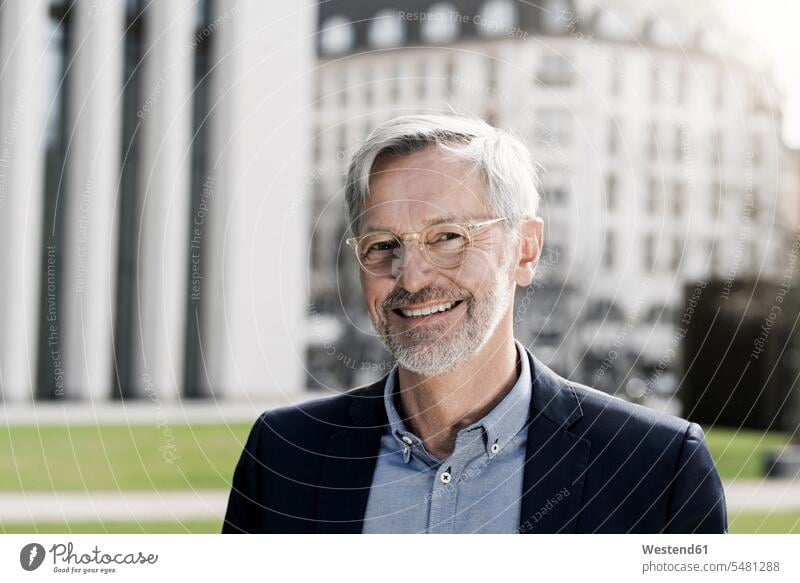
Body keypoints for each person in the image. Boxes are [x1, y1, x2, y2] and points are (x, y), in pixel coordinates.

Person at [222, 113, 727, 534]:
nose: (412, 278)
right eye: (383, 246)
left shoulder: (659, 471)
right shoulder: (283, 455)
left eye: (447, 236)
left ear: (525, 249)